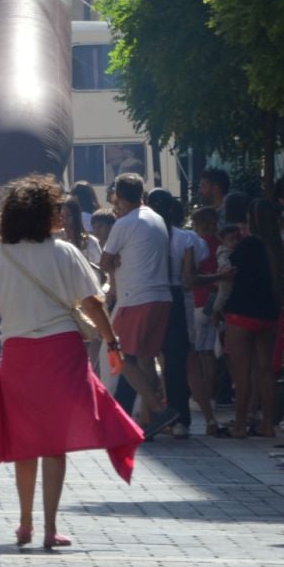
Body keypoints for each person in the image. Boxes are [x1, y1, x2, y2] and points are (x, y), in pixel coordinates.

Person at [0, 175, 143, 548]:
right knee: (54, 444)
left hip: (19, 355)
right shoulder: (65, 252)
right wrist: (112, 342)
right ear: (47, 215)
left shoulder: (0, 256)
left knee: (25, 443)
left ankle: (24, 523)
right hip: (63, 354)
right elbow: (92, 303)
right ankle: (49, 528)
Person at [100, 173, 181, 438]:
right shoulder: (156, 218)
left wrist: (114, 265)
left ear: (119, 197)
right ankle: (148, 418)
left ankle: (159, 409)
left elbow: (105, 260)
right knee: (146, 359)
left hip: (136, 297)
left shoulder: (124, 223)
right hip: (162, 296)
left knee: (122, 356)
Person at [199, 194, 283, 439]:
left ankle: (240, 425)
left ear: (252, 220)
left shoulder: (247, 245)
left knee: (241, 372)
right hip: (268, 314)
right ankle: (267, 423)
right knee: (265, 370)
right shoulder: (277, 247)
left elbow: (228, 273)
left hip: (241, 314)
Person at [148, 189, 199, 439]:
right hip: (176, 297)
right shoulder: (184, 238)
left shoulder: (145, 235)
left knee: (144, 358)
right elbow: (189, 279)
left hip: (150, 295)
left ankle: (148, 414)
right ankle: (180, 418)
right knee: (175, 362)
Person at [184, 206, 224, 437]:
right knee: (208, 352)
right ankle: (209, 395)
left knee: (197, 354)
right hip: (213, 300)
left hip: (198, 300)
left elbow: (192, 273)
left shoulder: (199, 243)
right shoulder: (219, 242)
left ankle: (201, 397)